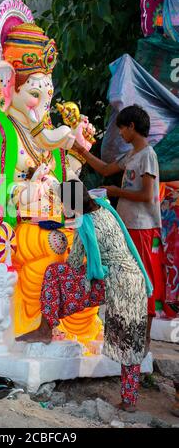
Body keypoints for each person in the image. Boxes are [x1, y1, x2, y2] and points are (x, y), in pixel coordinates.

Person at [16, 181, 152, 412]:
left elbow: (74, 261)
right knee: (131, 343)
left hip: (115, 282)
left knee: (54, 272)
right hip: (135, 280)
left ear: (70, 204)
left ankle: (46, 326)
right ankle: (129, 400)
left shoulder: (85, 223)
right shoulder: (105, 208)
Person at [71, 105, 164, 352]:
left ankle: (144, 337)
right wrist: (80, 150)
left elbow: (146, 194)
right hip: (127, 225)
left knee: (143, 278)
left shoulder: (147, 155)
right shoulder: (132, 155)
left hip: (142, 226)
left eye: (122, 128)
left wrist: (115, 192)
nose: (120, 133)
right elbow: (104, 169)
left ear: (132, 127)